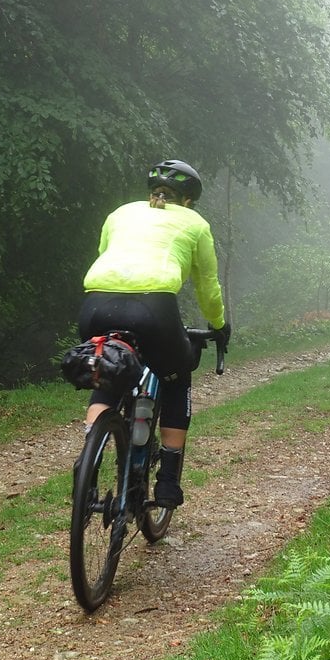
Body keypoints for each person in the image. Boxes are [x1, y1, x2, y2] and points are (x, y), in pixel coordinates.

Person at [76, 159, 231, 507]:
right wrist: (219, 325)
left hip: (96, 305)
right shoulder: (195, 223)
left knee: (108, 375)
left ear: (152, 193)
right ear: (188, 200)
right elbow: (207, 286)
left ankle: (88, 460)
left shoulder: (121, 213)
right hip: (153, 309)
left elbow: (107, 256)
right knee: (176, 377)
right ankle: (167, 482)